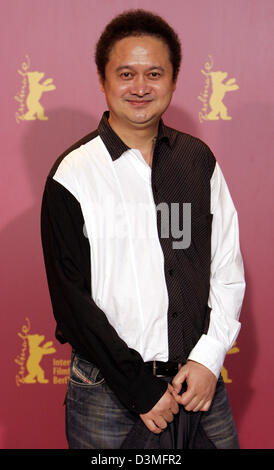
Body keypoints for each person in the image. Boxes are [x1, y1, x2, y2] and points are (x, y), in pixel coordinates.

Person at [40, 9, 245, 449]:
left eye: (154, 73)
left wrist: (209, 360)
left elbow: (226, 270)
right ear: (103, 79)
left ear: (173, 79)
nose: (140, 87)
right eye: (126, 73)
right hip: (106, 392)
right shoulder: (73, 174)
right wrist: (138, 387)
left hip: (199, 382)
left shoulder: (197, 162)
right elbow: (70, 302)